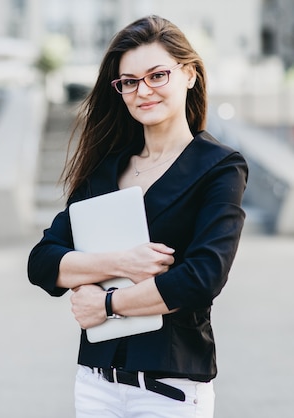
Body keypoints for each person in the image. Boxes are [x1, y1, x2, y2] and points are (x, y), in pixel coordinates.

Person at [27, 15, 248, 418]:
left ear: (190, 75)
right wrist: (118, 263)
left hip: (170, 391)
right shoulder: (105, 170)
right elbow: (42, 261)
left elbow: (202, 278)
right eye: (129, 81)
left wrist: (109, 304)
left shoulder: (219, 167)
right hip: (96, 387)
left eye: (157, 75)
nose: (142, 90)